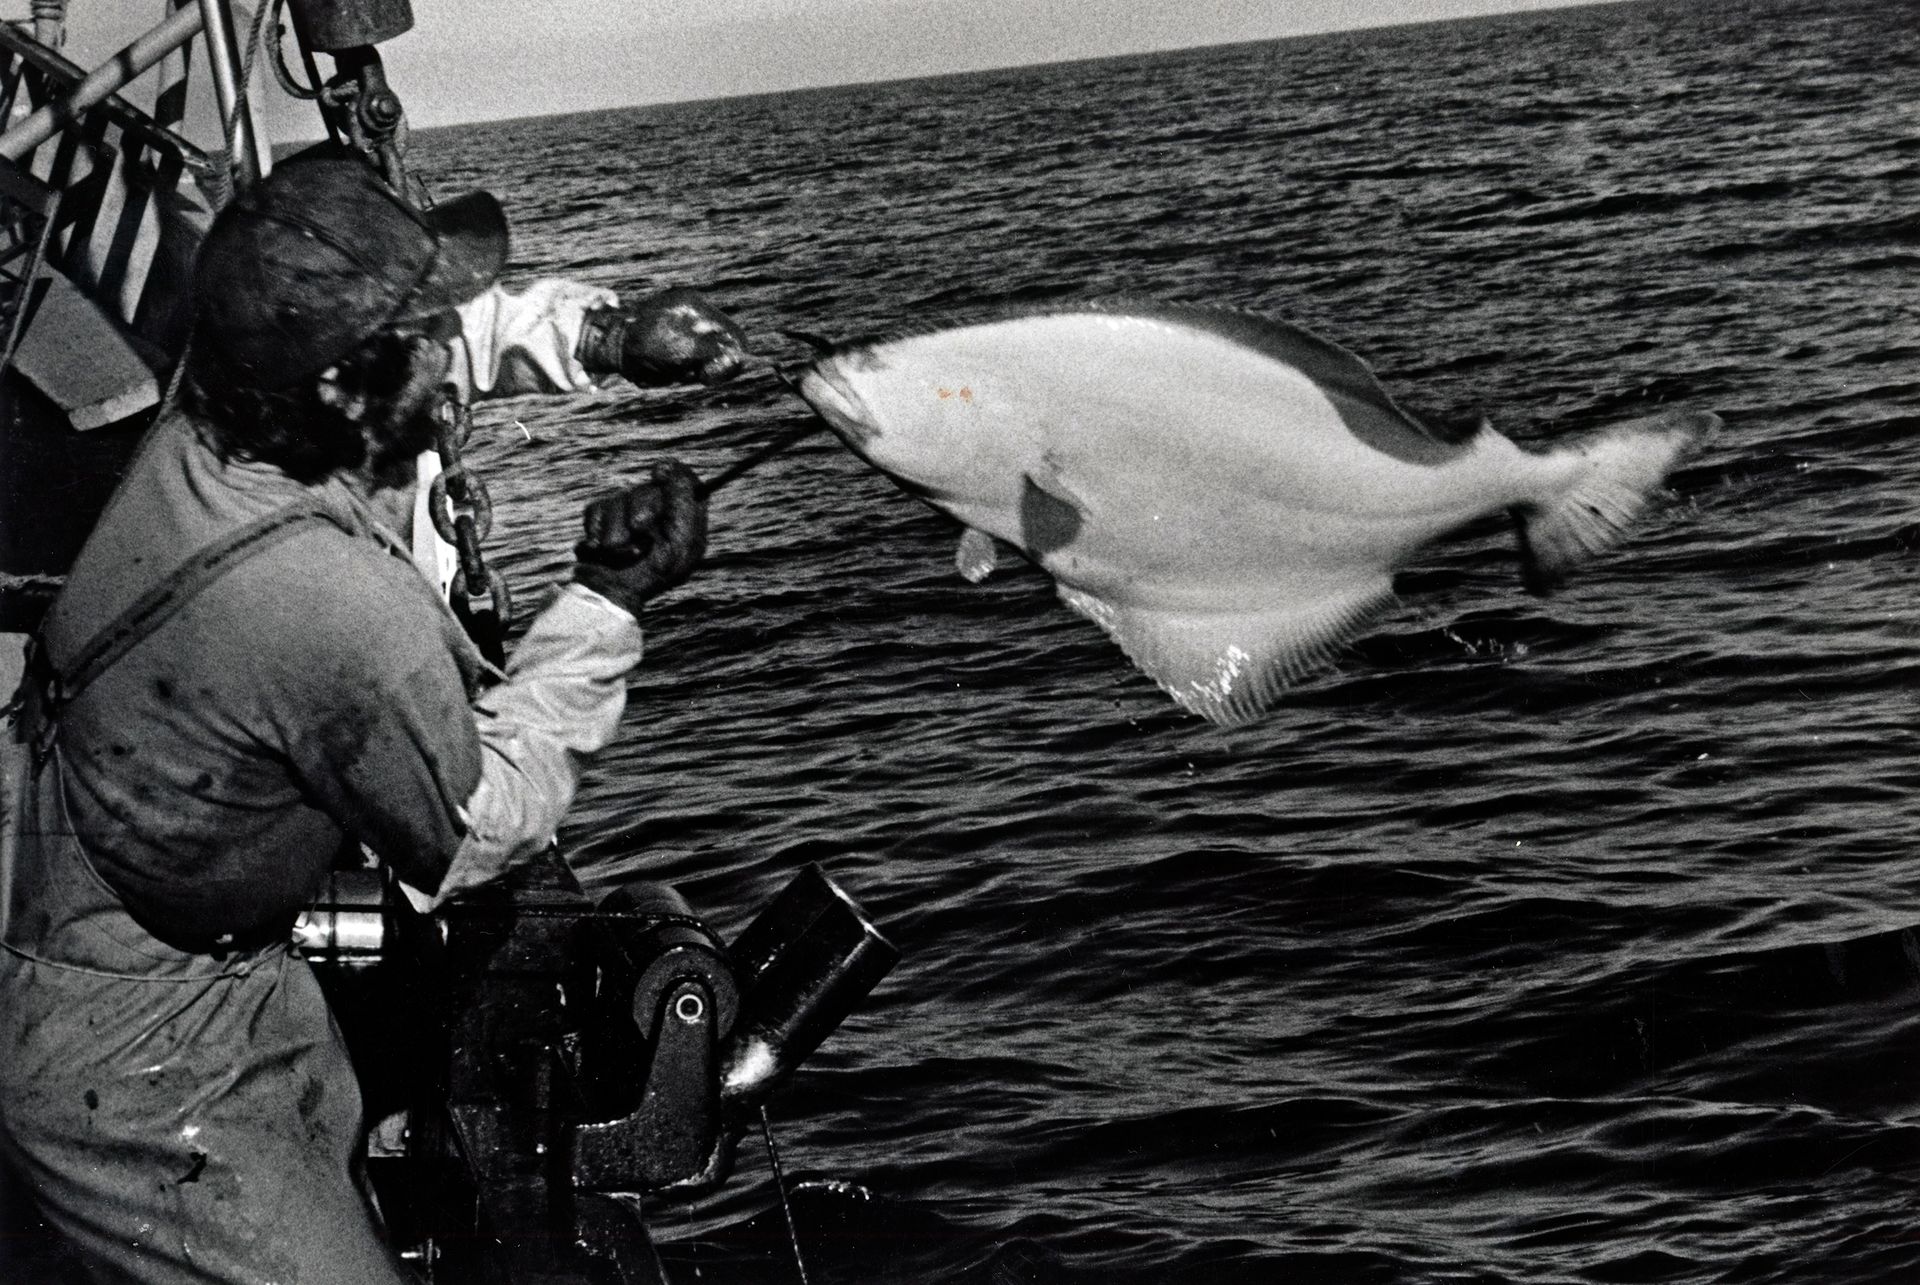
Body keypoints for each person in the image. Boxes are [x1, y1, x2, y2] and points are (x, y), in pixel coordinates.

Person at [0, 152, 745, 1282]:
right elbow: (477, 827)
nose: (452, 352)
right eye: (427, 336)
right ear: (349, 389)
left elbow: (406, 343)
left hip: (181, 953)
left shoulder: (221, 412)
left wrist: (604, 336)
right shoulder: (331, 605)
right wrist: (608, 603)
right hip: (130, 1053)